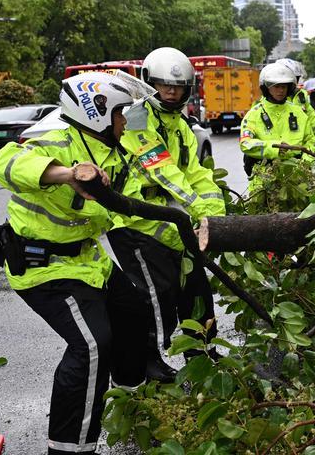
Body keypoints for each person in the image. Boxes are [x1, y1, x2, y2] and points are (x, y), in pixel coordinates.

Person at [0, 71, 153, 455]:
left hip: (87, 261)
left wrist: (185, 233)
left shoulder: (113, 152)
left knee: (134, 312)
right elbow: (5, 162)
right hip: (43, 268)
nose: (125, 121)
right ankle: (68, 449)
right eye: (120, 113)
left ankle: (132, 405)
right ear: (97, 113)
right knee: (92, 345)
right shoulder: (55, 137)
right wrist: (67, 174)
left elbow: (129, 212)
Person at [107, 47, 226, 379]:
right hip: (135, 223)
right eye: (164, 85)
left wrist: (214, 215)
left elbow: (198, 174)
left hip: (172, 226)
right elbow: (161, 169)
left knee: (197, 289)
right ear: (149, 83)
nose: (171, 92)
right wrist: (198, 209)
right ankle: (146, 361)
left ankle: (202, 353)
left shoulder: (181, 126)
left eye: (178, 87)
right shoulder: (135, 117)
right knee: (158, 293)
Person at [240, 62, 313, 189]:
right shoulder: (254, 114)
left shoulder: (298, 113)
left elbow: (312, 142)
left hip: (296, 181)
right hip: (263, 182)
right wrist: (273, 149)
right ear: (266, 88)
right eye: (276, 86)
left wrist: (303, 165)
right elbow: (245, 143)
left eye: (284, 87)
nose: (281, 90)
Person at [277, 58, 315, 154]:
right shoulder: (271, 100)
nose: (294, 82)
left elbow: (312, 118)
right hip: (280, 150)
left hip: (300, 149)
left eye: (296, 79)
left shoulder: (301, 96)